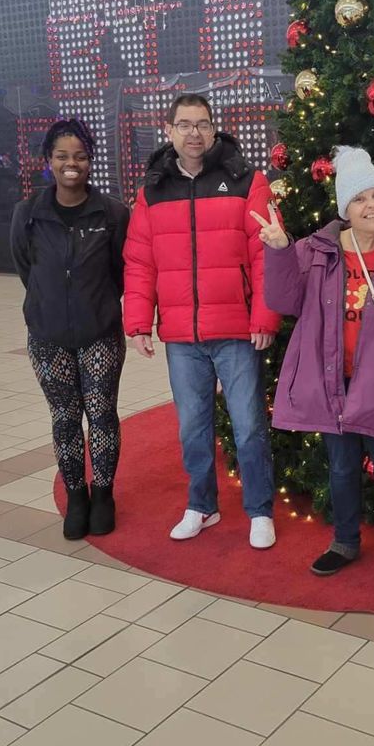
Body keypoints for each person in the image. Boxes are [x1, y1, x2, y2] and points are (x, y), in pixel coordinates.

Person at [256, 146, 374, 596]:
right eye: (360, 198)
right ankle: (344, 542)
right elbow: (282, 301)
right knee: (341, 470)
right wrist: (280, 252)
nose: (371, 205)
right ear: (345, 207)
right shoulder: (313, 252)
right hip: (332, 386)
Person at [123, 93, 279, 548]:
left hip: (236, 331)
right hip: (182, 336)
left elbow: (265, 255)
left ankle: (260, 510)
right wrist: (138, 322)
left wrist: (264, 317)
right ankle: (202, 505)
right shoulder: (152, 191)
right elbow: (140, 262)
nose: (194, 133)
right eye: (185, 124)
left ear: (214, 130)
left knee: (248, 425)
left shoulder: (247, 181)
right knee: (192, 427)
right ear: (169, 130)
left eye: (203, 124)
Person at [10, 119, 129, 539]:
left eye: (79, 155)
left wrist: (92, 301)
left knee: (101, 414)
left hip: (100, 333)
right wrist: (50, 302)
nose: (71, 163)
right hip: (48, 337)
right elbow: (26, 269)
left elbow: (120, 272)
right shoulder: (28, 214)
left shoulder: (112, 213)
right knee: (64, 418)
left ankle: (104, 494)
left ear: (90, 160)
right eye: (62, 156)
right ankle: (76, 496)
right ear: (49, 160)